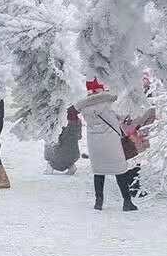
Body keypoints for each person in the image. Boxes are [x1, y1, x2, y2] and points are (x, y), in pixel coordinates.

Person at [75, 79, 138, 211]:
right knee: (120, 171)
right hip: (111, 143)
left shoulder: (85, 108)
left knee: (99, 172)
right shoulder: (109, 103)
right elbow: (123, 116)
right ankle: (127, 202)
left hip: (94, 143)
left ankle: (99, 202)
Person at [44, 106, 83, 174]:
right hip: (72, 155)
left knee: (50, 143)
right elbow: (79, 137)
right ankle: (71, 167)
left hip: (56, 156)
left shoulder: (60, 123)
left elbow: (53, 138)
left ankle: (49, 168)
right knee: (68, 151)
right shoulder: (78, 122)